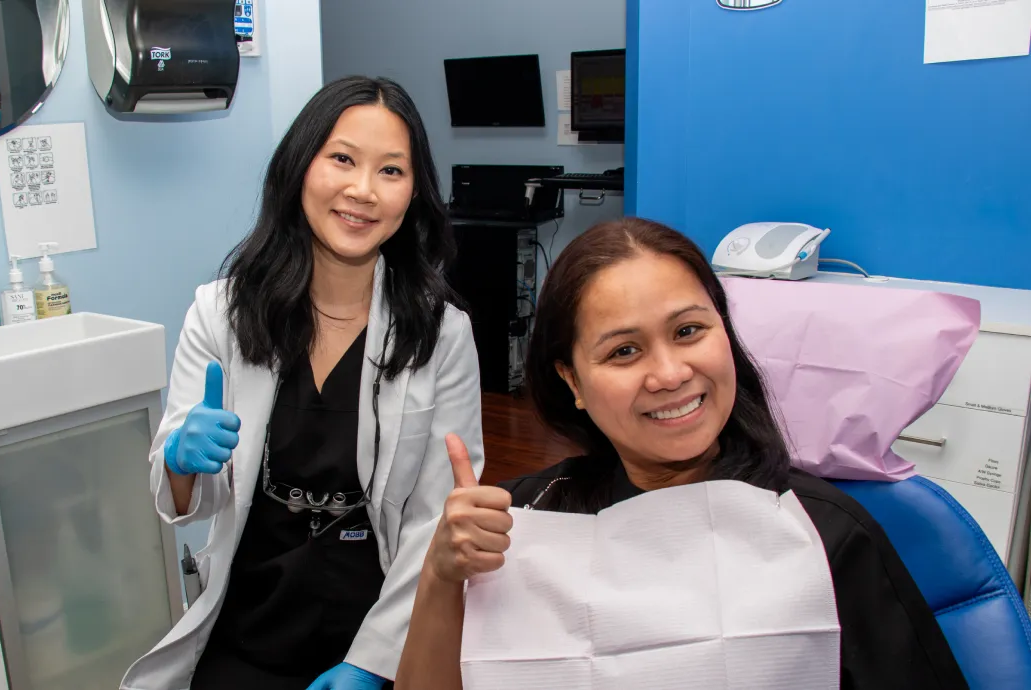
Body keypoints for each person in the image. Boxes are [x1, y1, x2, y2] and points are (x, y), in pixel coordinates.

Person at [395, 218, 968, 689]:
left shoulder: (822, 534)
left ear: (725, 333)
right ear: (572, 379)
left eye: (689, 331)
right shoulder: (520, 524)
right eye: (624, 351)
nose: (670, 374)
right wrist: (441, 576)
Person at [119, 76, 484, 690]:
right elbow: (187, 504)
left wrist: (375, 661)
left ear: (414, 193)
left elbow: (432, 522)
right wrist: (184, 459)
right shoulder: (221, 314)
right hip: (252, 613)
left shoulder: (440, 334)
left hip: (379, 616)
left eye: (391, 171)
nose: (362, 191)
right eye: (342, 159)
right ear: (299, 168)